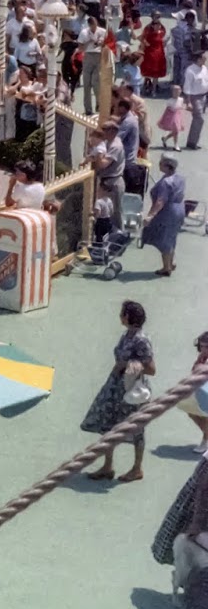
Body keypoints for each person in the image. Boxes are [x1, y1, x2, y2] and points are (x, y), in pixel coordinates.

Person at [81, 300, 155, 483]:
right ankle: (108, 466)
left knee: (136, 428)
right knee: (109, 424)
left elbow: (152, 369)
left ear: (128, 316)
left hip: (132, 390)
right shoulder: (127, 335)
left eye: (122, 313)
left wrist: (128, 364)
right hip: (116, 386)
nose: (119, 316)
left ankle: (137, 468)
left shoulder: (141, 340)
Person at [142, 155, 188, 276]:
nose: (159, 164)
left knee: (164, 239)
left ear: (167, 166)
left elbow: (160, 201)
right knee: (172, 238)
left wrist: (150, 216)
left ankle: (166, 268)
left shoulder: (166, 182)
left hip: (168, 212)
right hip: (179, 209)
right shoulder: (180, 178)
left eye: (161, 163)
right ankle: (170, 263)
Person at [161, 84, 188, 151]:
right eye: (175, 91)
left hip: (178, 116)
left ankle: (165, 138)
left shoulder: (181, 99)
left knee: (176, 131)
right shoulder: (170, 100)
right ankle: (176, 145)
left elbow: (181, 106)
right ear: (172, 92)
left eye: (178, 90)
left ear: (180, 91)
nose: (176, 92)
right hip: (172, 116)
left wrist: (184, 108)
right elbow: (168, 110)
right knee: (176, 130)